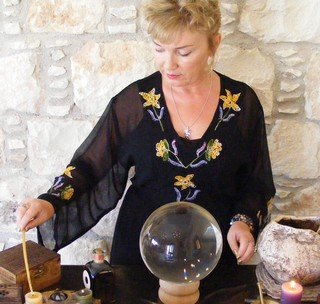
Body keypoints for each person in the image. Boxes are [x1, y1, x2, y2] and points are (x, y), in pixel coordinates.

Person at [16, 0, 275, 288]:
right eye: (158, 48)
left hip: (212, 252)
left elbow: (255, 181)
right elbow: (91, 165)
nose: (169, 64)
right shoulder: (135, 103)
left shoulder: (241, 104)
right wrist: (50, 201)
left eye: (184, 52)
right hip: (141, 251)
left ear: (214, 44)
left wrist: (243, 221)